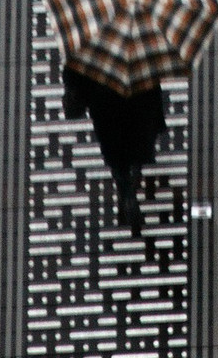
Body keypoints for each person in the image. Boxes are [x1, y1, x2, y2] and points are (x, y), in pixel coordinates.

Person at [62, 64, 166, 236]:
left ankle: (126, 192)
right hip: (136, 109)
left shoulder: (89, 54)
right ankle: (133, 181)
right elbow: (153, 87)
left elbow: (72, 79)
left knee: (116, 158)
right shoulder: (141, 53)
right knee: (136, 151)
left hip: (105, 112)